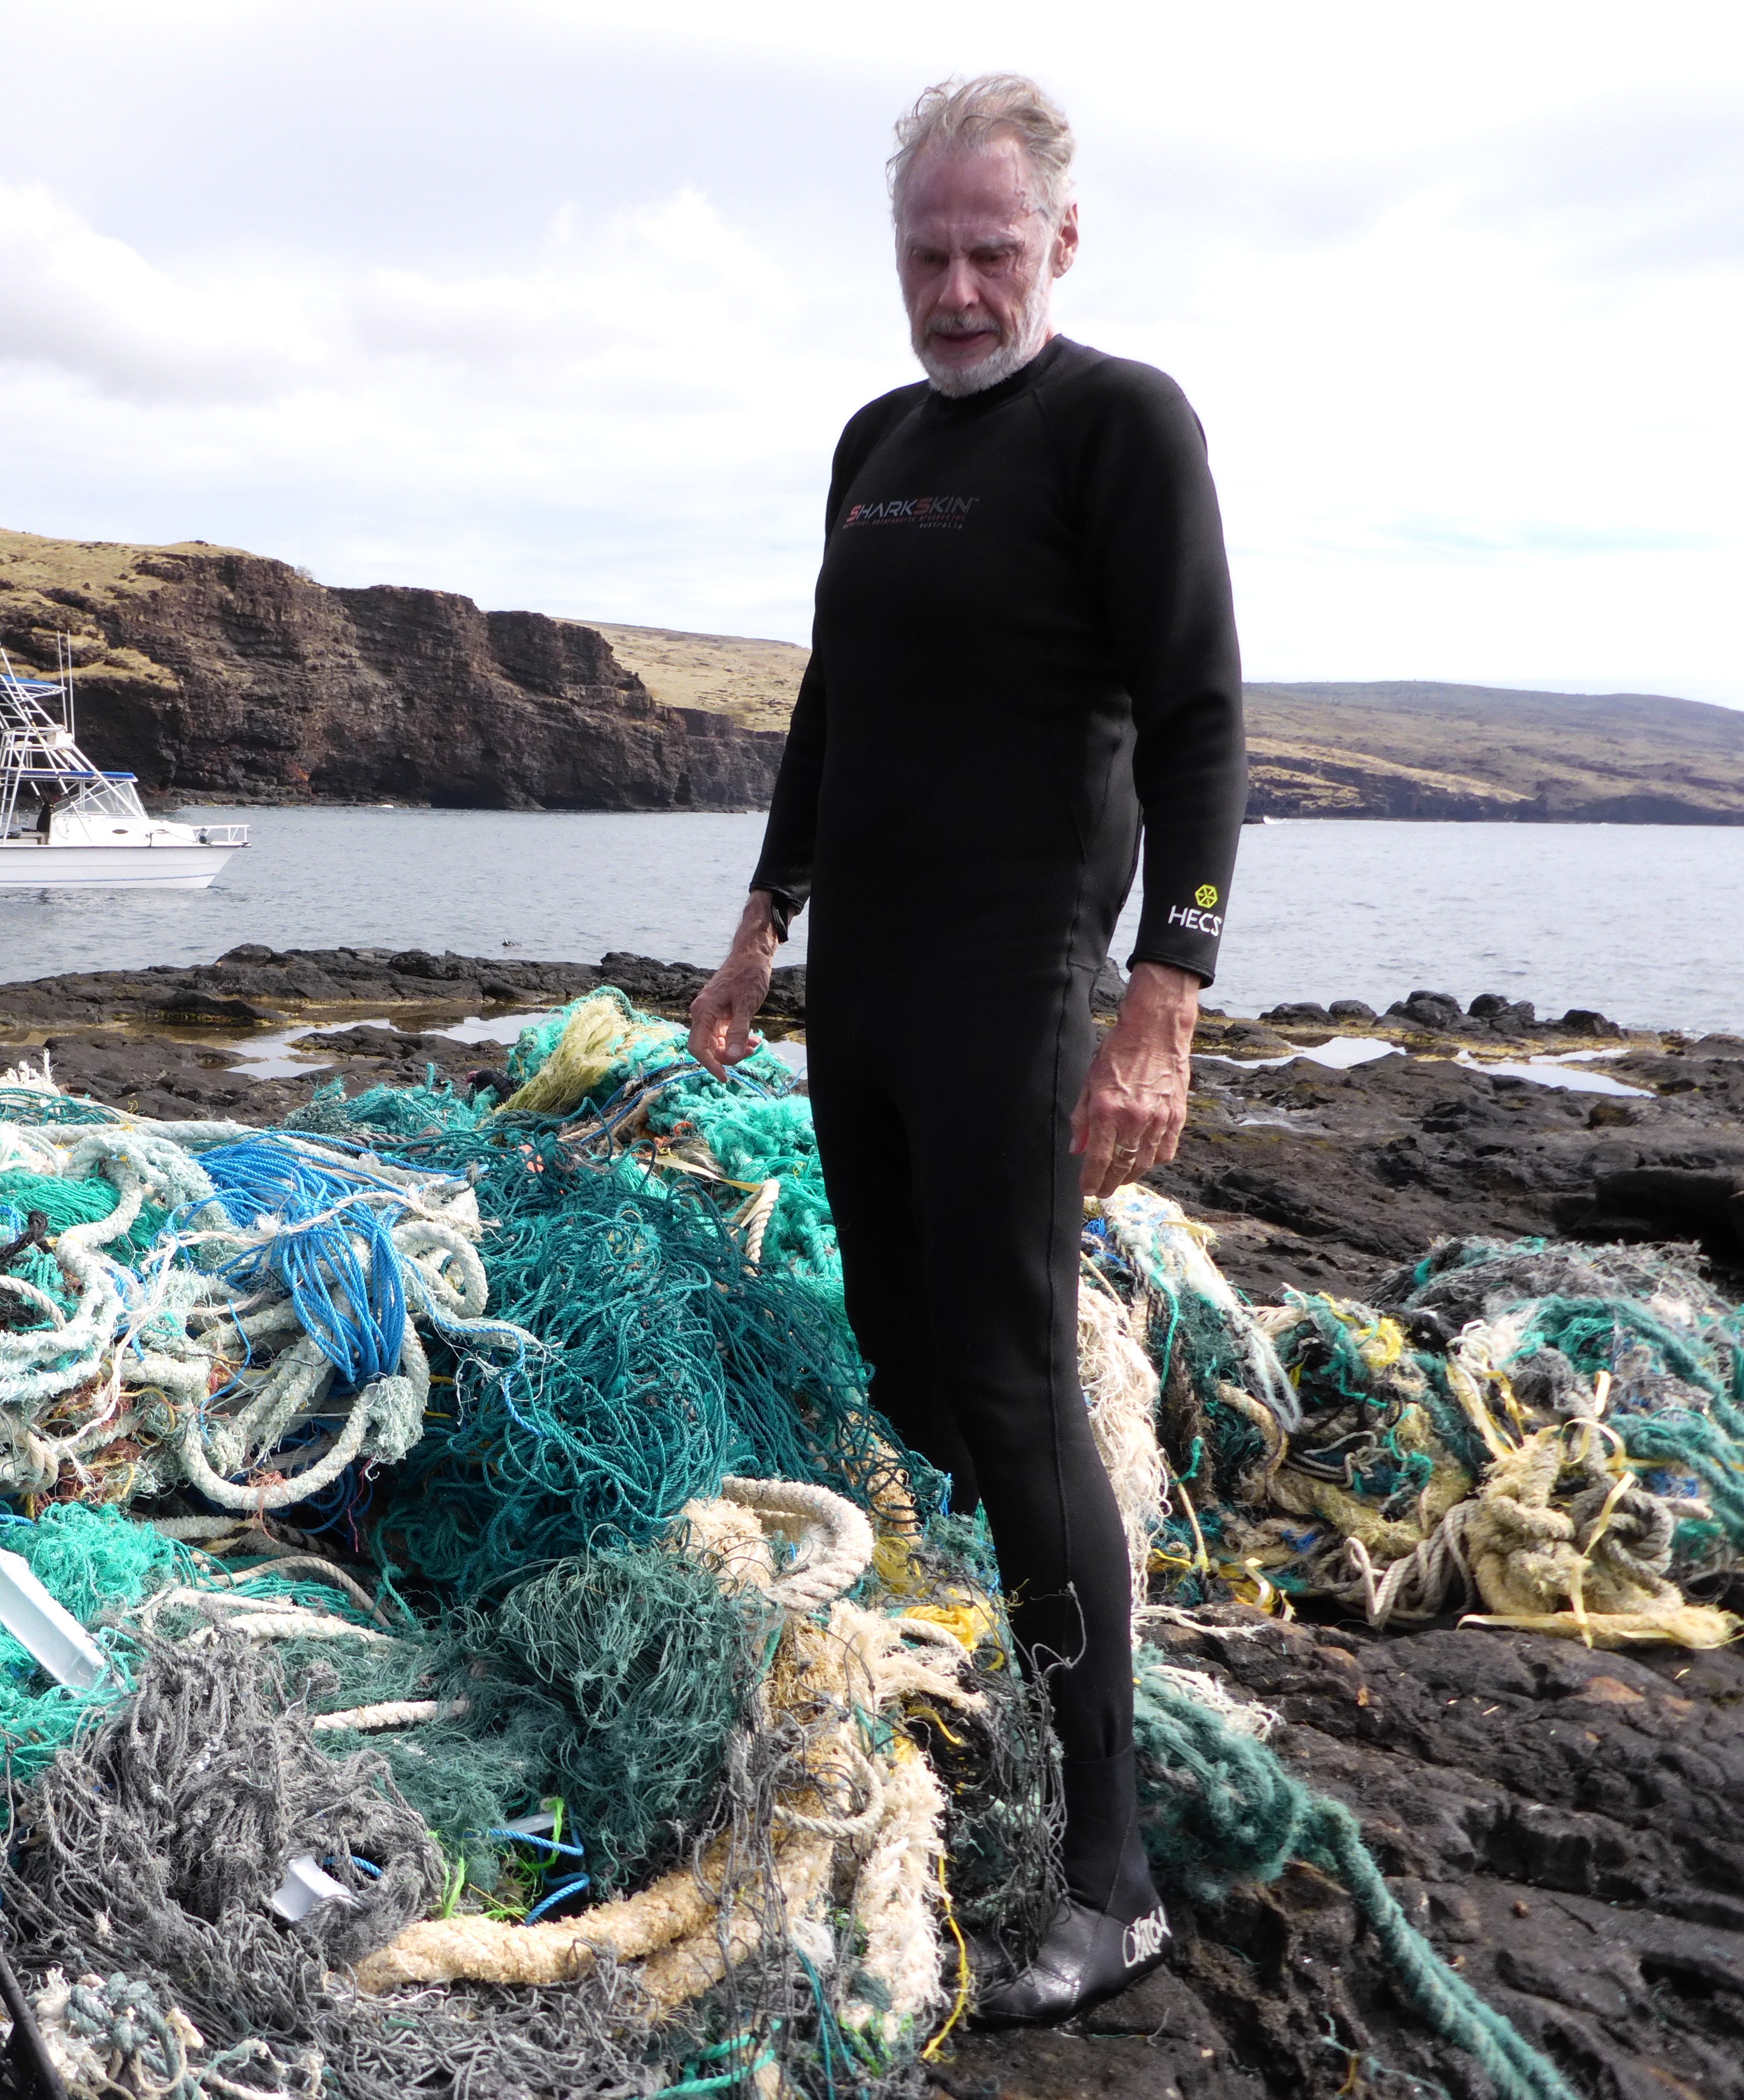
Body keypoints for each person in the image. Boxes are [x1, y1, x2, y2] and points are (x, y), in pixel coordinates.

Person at [688, 73, 1246, 2024]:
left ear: (1060, 244)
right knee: (914, 1365)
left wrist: (1160, 1003)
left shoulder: (1120, 423)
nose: (954, 286)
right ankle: (1068, 1620)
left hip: (1024, 978)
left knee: (1010, 1391)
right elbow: (836, 698)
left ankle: (1117, 1866)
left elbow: (1196, 723)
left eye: (989, 249)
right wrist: (764, 923)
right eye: (925, 252)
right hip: (873, 987)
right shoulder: (876, 440)